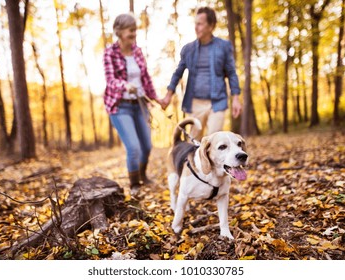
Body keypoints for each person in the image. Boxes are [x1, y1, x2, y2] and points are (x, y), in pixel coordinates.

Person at [103, 13, 163, 195]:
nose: (133, 34)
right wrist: (124, 85)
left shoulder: (137, 51)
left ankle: (143, 175)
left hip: (140, 104)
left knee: (147, 146)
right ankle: (135, 185)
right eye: (130, 30)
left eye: (135, 30)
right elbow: (110, 80)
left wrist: (156, 98)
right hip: (120, 106)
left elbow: (146, 79)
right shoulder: (109, 53)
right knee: (134, 148)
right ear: (119, 32)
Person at [161, 7, 242, 140]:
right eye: (195, 24)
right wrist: (168, 96)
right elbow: (178, 73)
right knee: (194, 143)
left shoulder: (224, 46)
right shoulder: (188, 49)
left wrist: (236, 99)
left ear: (211, 26)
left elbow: (232, 73)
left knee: (214, 140)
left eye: (200, 24)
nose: (196, 27)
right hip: (194, 103)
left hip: (217, 102)